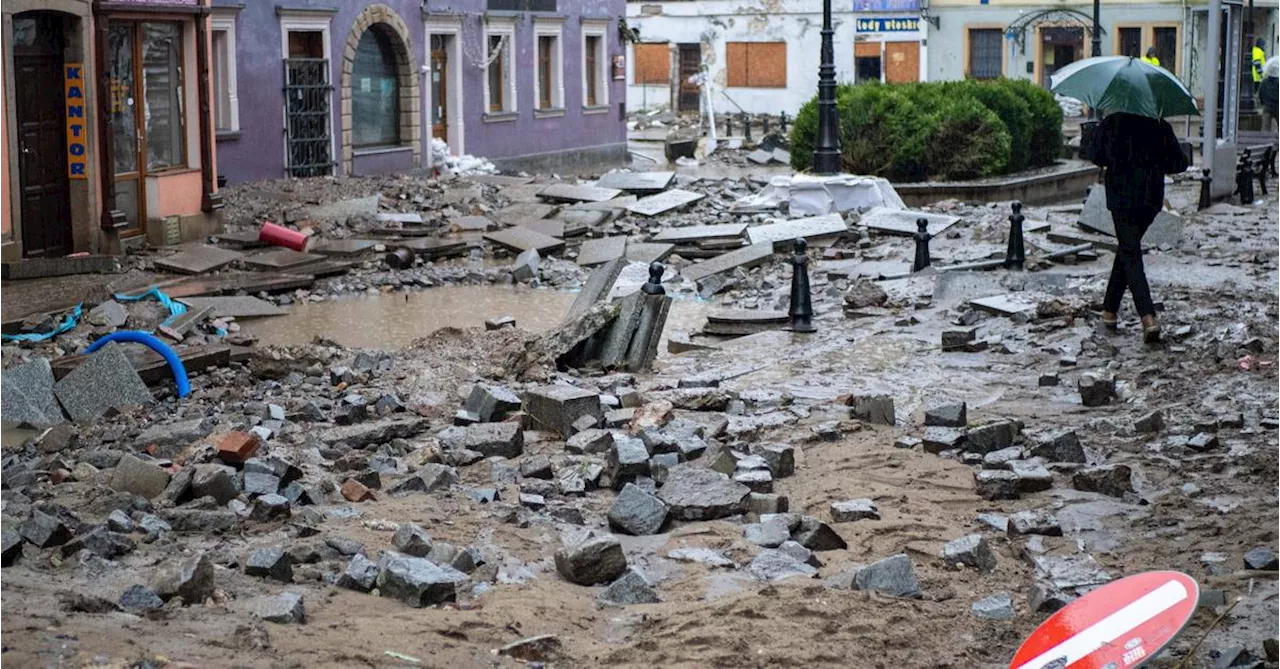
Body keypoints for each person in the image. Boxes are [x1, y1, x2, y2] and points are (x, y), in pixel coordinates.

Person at [1090, 112, 1189, 343]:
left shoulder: (1112, 123)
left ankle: (1147, 316)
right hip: (1150, 200)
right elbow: (1180, 163)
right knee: (1128, 249)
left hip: (1121, 198)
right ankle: (1109, 311)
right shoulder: (1159, 126)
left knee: (1130, 252)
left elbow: (1095, 155)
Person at [1260, 56, 1280, 132]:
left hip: (1267, 107)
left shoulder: (1264, 82)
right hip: (1278, 107)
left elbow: (1261, 93)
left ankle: (1264, 141)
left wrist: (1263, 102)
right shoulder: (1279, 83)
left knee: (1265, 127)